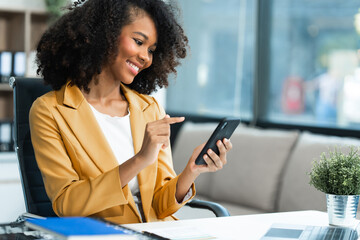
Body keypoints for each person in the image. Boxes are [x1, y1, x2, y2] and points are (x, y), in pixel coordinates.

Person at [29, 0, 232, 224]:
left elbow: (159, 206)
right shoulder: (50, 111)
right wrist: (140, 159)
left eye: (152, 50)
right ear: (105, 34)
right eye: (138, 42)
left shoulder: (149, 108)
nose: (146, 57)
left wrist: (191, 171)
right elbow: (66, 203)